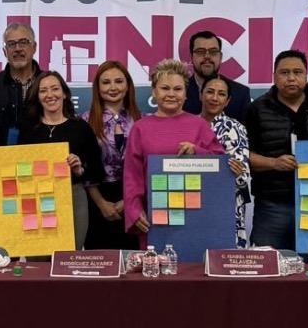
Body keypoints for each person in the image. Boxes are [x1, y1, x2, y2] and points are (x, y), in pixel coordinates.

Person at [123, 59, 224, 244]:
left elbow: (221, 165)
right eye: (165, 88)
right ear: (154, 92)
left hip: (198, 213)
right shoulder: (140, 128)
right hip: (155, 216)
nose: (171, 94)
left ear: (185, 93)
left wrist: (197, 151)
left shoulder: (199, 125)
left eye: (177, 89)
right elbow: (132, 176)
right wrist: (134, 210)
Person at [247, 49, 308, 251]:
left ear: (306, 75)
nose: (291, 78)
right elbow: (244, 156)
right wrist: (273, 163)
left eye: (297, 72)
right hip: (272, 204)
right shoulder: (257, 108)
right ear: (274, 76)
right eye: (284, 72)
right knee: (269, 261)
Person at [13, 71, 105, 249]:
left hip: (73, 196)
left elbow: (96, 170)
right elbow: (10, 162)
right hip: (34, 197)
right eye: (43, 91)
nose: (50, 95)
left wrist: (80, 170)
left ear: (64, 94)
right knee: (37, 256)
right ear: (37, 97)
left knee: (69, 256)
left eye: (55, 89)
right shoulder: (26, 129)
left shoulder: (81, 128)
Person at [81, 60, 141, 250]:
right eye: (106, 82)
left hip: (133, 198)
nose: (113, 87)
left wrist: (128, 201)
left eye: (119, 81)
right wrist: (101, 204)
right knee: (99, 261)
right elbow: (84, 169)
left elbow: (146, 167)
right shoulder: (84, 122)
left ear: (128, 85)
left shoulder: (141, 120)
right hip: (96, 199)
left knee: (132, 261)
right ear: (98, 88)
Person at [0, 22, 43, 150]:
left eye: (23, 42)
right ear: (5, 51)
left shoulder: (49, 83)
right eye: (11, 44)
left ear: (34, 47)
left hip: (43, 158)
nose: (17, 48)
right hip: (0, 160)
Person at [201, 77, 252, 248]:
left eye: (221, 94)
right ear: (201, 95)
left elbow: (242, 176)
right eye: (210, 92)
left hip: (226, 203)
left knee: (227, 257)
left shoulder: (236, 128)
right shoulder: (188, 124)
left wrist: (236, 171)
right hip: (192, 197)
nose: (214, 98)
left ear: (228, 101)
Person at [182, 29, 251, 121]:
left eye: (213, 52)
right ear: (191, 57)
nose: (207, 56)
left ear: (220, 57)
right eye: (200, 51)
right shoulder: (180, 91)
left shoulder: (241, 94)